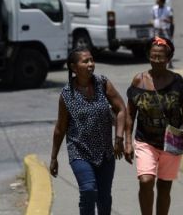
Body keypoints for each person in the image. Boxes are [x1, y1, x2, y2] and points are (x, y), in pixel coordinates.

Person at [50, 46, 126, 215]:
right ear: (74, 67)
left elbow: (121, 109)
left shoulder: (103, 83)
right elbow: (60, 128)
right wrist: (54, 158)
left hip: (105, 152)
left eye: (92, 60)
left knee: (104, 199)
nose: (91, 64)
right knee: (89, 190)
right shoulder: (67, 94)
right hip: (79, 151)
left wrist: (119, 139)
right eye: (86, 61)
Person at [124, 36, 183, 215]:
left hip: (171, 141)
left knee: (164, 187)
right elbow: (130, 114)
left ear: (168, 59)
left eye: (160, 57)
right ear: (148, 56)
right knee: (146, 181)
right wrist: (126, 142)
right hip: (145, 140)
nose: (156, 60)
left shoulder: (177, 82)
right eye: (153, 56)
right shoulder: (138, 81)